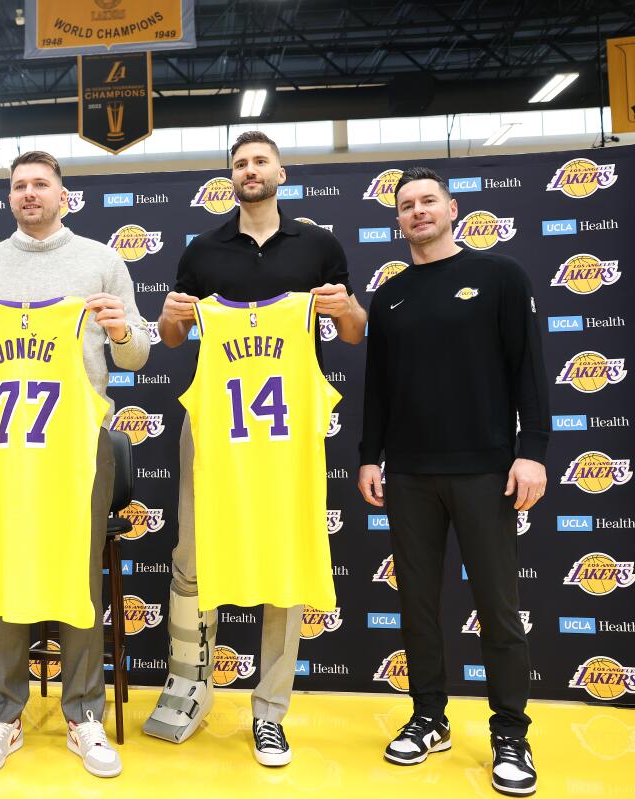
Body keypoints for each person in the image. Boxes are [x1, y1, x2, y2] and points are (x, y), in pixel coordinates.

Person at [145, 131, 366, 765]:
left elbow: (351, 334)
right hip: (214, 430)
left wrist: (345, 307)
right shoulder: (202, 249)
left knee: (285, 564)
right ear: (230, 177)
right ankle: (189, 685)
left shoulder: (319, 247)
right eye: (240, 163)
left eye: (260, 160)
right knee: (191, 557)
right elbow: (170, 339)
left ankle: (270, 711)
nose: (250, 170)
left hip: (288, 435)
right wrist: (170, 318)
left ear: (281, 170)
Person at [0, 150, 149, 778]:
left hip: (78, 446)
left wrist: (118, 330)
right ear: (9, 197)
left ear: (64, 194)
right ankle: (4, 714)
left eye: (41, 185)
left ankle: (82, 714)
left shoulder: (102, 261)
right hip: (1, 450)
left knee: (76, 573)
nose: (30, 193)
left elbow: (137, 355)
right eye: (19, 186)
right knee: (3, 570)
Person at [357, 166, 547, 797]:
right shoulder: (390, 295)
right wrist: (368, 455)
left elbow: (530, 374)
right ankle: (429, 718)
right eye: (406, 205)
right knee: (418, 607)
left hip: (487, 472)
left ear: (452, 208)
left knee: (497, 608)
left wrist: (534, 453)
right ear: (399, 220)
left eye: (427, 201)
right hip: (409, 474)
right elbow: (377, 389)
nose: (417, 211)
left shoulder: (499, 277)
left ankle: (510, 734)